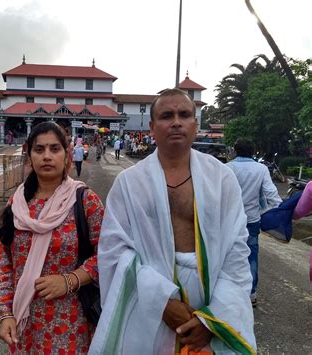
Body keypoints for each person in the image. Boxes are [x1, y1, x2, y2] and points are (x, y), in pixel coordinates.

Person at [90, 89, 256, 354]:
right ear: (152, 127)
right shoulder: (129, 183)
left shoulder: (222, 179)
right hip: (148, 304)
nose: (176, 121)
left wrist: (210, 320)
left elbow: (236, 250)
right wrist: (162, 303)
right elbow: (114, 251)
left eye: (185, 114)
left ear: (195, 124)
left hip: (212, 299)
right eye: (167, 115)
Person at [0, 121, 104, 354]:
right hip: (25, 321)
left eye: (55, 149)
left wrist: (69, 280)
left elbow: (107, 254)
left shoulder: (85, 201)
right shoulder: (18, 204)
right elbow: (5, 262)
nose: (47, 156)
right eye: (39, 149)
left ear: (66, 155)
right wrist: (5, 314)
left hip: (71, 320)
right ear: (29, 156)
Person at [226, 138, 282, 306]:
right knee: (251, 256)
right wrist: (281, 210)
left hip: (229, 220)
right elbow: (271, 194)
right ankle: (251, 294)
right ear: (253, 151)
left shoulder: (227, 168)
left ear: (235, 151)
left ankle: (226, 291)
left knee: (227, 254)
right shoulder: (261, 169)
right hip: (251, 220)